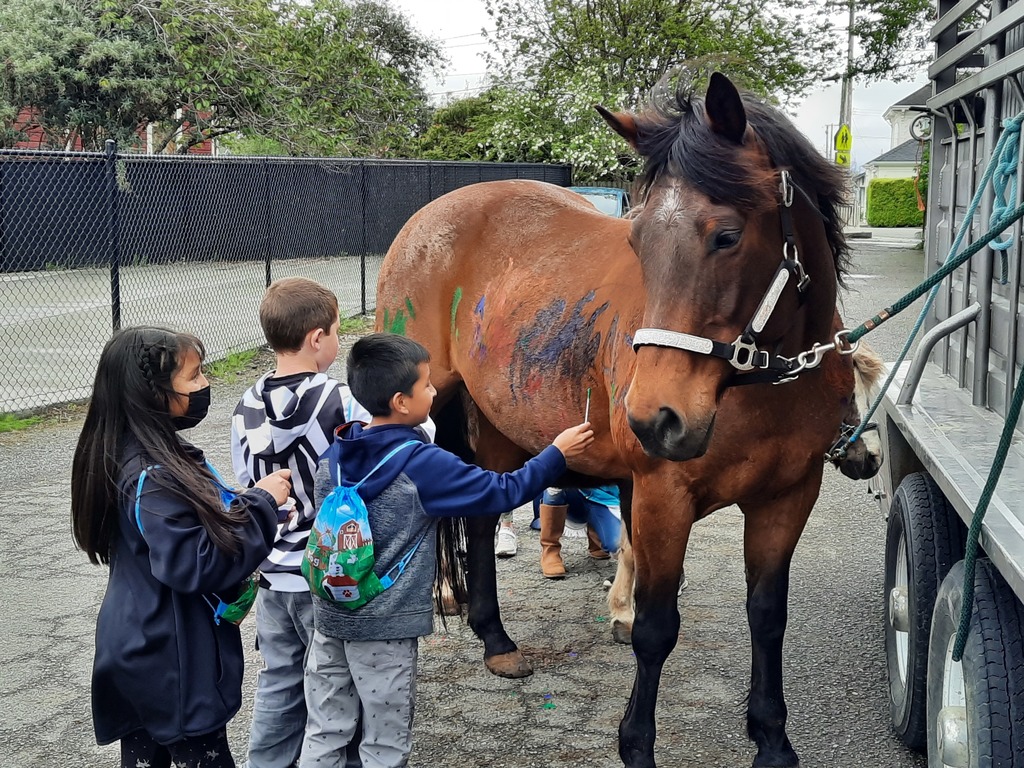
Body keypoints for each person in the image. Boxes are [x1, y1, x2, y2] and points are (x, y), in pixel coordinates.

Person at [301, 333, 593, 768]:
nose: (437, 391)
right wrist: (556, 454)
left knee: (326, 729)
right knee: (384, 741)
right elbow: (502, 490)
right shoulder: (422, 464)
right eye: (427, 385)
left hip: (329, 619)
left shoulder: (338, 452)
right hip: (386, 629)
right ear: (401, 402)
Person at [70, 326, 292, 768]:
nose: (205, 385)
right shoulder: (152, 476)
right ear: (151, 393)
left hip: (136, 646)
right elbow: (196, 563)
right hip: (172, 661)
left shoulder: (132, 451)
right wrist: (262, 504)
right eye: (194, 377)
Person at [231, 277, 367, 768]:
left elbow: (249, 486)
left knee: (278, 680)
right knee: (335, 687)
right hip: (325, 573)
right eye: (335, 332)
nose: (336, 341)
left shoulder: (243, 405)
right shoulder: (343, 401)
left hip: (272, 573)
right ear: (317, 338)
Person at [537, 485, 622, 578]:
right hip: (573, 493)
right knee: (554, 487)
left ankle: (595, 534)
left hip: (605, 499)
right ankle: (550, 549)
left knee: (618, 546)